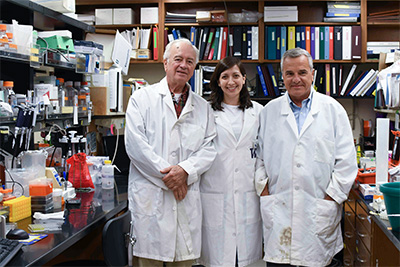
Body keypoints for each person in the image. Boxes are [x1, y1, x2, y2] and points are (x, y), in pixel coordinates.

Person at [255, 48, 358, 266]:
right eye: (289, 74)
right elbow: (258, 159)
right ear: (282, 77)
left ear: (313, 74)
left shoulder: (333, 110)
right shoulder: (269, 112)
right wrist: (264, 190)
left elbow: (347, 163)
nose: (296, 79)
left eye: (302, 72)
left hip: (318, 212)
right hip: (279, 212)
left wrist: (331, 199)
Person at [125, 38, 217, 267]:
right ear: (165, 63)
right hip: (151, 202)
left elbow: (209, 147)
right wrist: (172, 178)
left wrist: (185, 171)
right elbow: (136, 146)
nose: (183, 65)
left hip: (185, 204)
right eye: (178, 59)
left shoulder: (203, 108)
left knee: (184, 260)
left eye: (189, 61)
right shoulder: (141, 99)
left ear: (194, 68)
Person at [199, 56, 263, 267]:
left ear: (244, 79)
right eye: (225, 77)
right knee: (218, 258)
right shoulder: (205, 112)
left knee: (245, 259)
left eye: (236, 76)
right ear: (218, 81)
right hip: (215, 192)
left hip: (248, 193)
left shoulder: (259, 112)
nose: (231, 82)